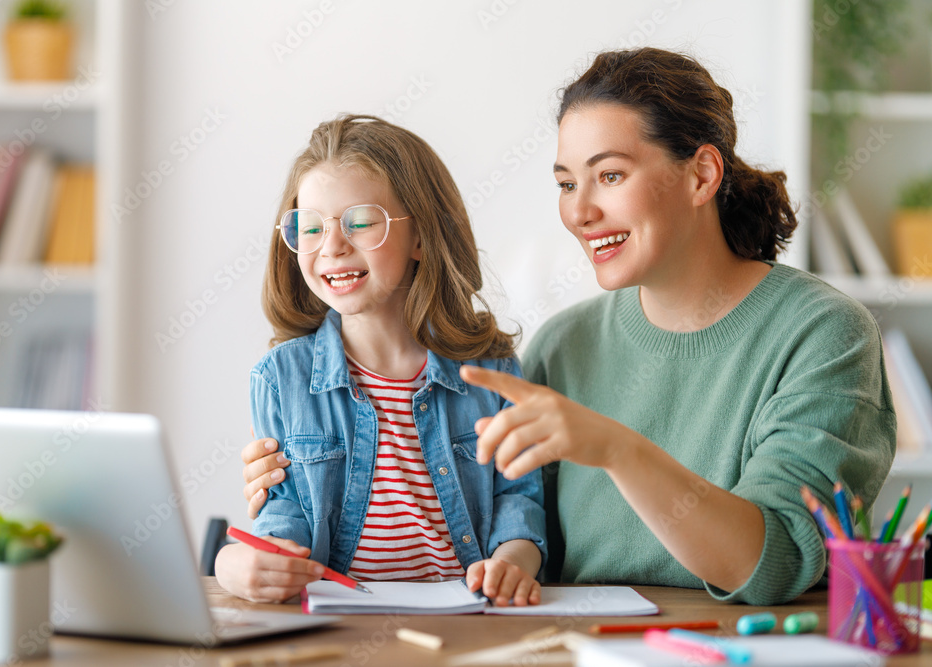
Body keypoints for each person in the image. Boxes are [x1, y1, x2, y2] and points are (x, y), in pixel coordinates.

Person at [239, 48, 897, 606]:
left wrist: (616, 447)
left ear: (701, 173)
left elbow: (772, 562)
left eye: (609, 175)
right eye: (564, 182)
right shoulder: (563, 345)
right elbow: (509, 534)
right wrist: (276, 511)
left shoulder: (822, 332)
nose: (580, 211)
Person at [215, 114, 546, 605]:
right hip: (342, 619)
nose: (332, 246)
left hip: (467, 619)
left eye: (361, 223)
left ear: (420, 236)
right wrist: (237, 563)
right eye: (310, 227)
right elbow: (282, 513)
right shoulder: (279, 378)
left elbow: (518, 500)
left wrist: (512, 564)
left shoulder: (493, 371)